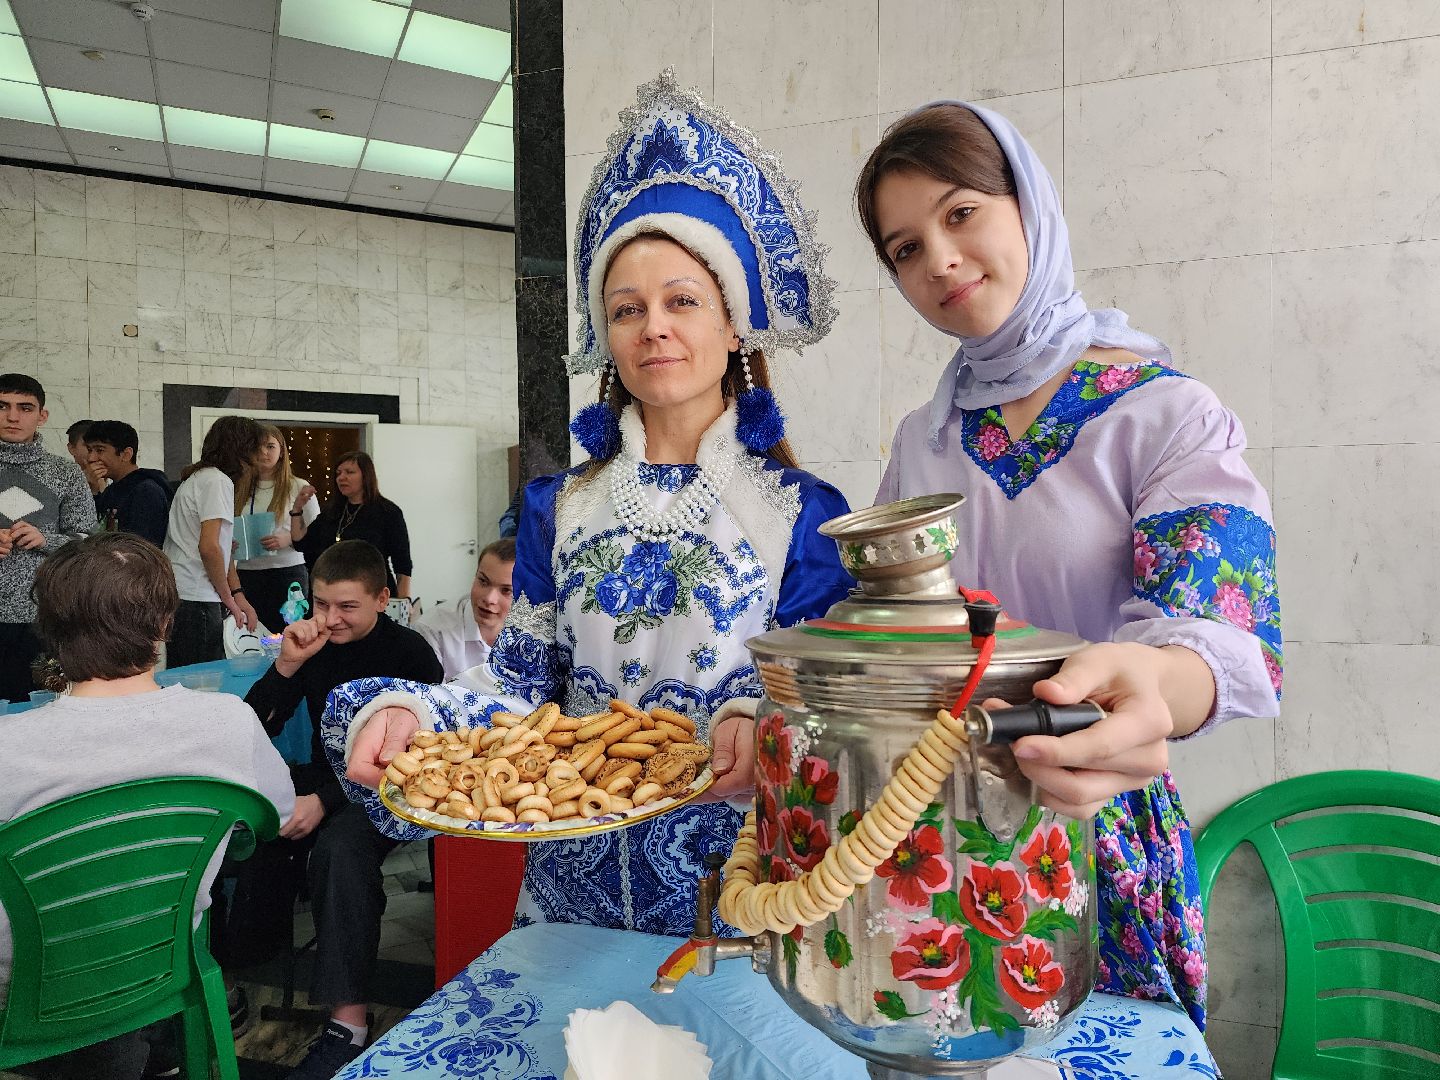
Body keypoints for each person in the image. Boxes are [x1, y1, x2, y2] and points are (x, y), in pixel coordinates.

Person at [328, 70, 853, 943]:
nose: (654, 327)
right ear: (605, 339)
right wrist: (413, 716)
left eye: (683, 301)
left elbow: (827, 707)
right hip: (571, 891)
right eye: (626, 309)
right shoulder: (559, 506)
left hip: (743, 889)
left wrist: (756, 722)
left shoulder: (798, 510)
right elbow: (520, 689)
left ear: (735, 325)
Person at [857, 102, 1282, 1031]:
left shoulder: (1168, 416)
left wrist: (1150, 684)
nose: (938, 259)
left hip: (1092, 825)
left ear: (1029, 207)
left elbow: (1219, 633)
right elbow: (885, 626)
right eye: (903, 248)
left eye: (961, 212)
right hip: (936, 833)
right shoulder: (921, 444)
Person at [0, 531, 295, 1080]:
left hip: (23, 996)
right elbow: (275, 817)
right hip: (164, 962)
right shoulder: (227, 722)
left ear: (49, 630)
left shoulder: (6, 748)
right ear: (164, 624)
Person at [237, 540, 442, 1080]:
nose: (330, 618)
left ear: (382, 599)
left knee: (341, 848)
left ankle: (348, 1021)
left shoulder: (411, 653)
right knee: (246, 821)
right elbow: (250, 729)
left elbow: (421, 758)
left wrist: (324, 802)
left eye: (346, 607)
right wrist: (286, 664)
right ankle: (239, 974)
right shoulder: (311, 646)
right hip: (322, 774)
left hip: (391, 789)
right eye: (321, 603)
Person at [0, 374, 93, 702]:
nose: (13, 417)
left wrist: (46, 540)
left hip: (43, 618)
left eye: (25, 408)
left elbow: (87, 543)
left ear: (42, 416)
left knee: (39, 711)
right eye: (3, 406)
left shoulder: (65, 473)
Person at [162, 415, 262, 668]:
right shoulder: (217, 481)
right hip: (197, 597)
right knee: (201, 682)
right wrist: (227, 597)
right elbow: (209, 547)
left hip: (186, 593)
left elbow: (219, 547)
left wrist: (237, 595)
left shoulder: (199, 478)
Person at [234, 424, 320, 633]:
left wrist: (289, 539)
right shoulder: (238, 487)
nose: (264, 452)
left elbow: (318, 533)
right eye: (258, 446)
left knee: (290, 634)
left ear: (282, 451)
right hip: (248, 573)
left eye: (270, 446)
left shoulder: (297, 486)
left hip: (288, 571)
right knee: (253, 636)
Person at [293, 451, 413, 599]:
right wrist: (297, 509)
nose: (341, 478)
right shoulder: (332, 512)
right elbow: (300, 542)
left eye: (349, 472)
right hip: (331, 591)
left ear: (366, 476)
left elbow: (402, 564)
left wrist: (403, 603)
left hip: (371, 592)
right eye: (338, 473)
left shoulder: (388, 512)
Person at [410, 538, 515, 680]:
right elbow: (427, 698)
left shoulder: (540, 632)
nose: (489, 598)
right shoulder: (431, 631)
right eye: (483, 581)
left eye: (506, 590)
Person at [85, 420, 173, 547]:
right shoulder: (113, 489)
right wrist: (92, 489)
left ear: (126, 454)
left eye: (99, 450)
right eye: (89, 450)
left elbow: (141, 547)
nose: (91, 458)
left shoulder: (146, 491)